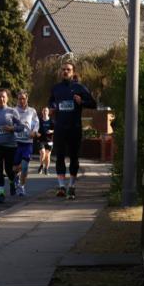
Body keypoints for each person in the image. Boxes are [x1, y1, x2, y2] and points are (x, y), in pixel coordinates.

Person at [48, 61, 96, 199]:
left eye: (68, 69)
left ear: (73, 72)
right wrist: (52, 107)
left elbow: (93, 104)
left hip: (74, 128)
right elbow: (51, 101)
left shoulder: (80, 88)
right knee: (60, 157)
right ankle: (61, 186)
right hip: (60, 128)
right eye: (63, 69)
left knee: (74, 158)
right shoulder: (56, 88)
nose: (65, 72)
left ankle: (72, 186)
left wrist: (82, 102)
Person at [0, 89, 24, 204]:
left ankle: (12, 181)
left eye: (3, 97)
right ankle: (1, 193)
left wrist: (12, 128)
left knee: (9, 169)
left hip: (10, 145)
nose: (1, 99)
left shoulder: (12, 111)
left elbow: (21, 127)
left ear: (7, 98)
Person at [12, 89, 39, 196]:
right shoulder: (13, 111)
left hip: (27, 142)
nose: (21, 101)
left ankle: (22, 187)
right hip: (16, 142)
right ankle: (15, 177)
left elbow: (36, 123)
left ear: (27, 99)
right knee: (15, 168)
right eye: (19, 99)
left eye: (23, 98)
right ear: (17, 100)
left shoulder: (32, 111)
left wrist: (34, 131)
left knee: (25, 166)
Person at [37, 106, 54, 175]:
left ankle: (46, 169)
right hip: (41, 140)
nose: (45, 112)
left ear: (48, 112)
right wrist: (36, 133)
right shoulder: (39, 120)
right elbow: (35, 128)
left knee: (48, 156)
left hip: (49, 140)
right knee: (43, 153)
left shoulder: (51, 121)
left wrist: (51, 131)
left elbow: (55, 129)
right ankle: (41, 165)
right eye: (44, 111)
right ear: (42, 112)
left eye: (46, 111)